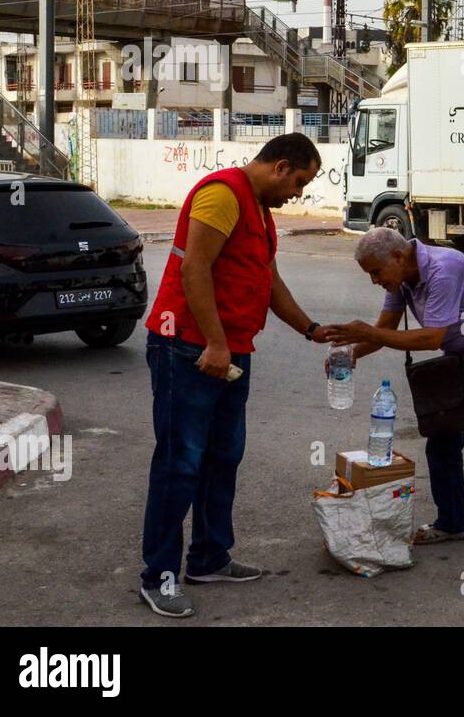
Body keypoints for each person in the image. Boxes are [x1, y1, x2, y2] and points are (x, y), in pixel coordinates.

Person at [140, 133, 330, 618]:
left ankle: (208, 558)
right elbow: (194, 270)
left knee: (222, 458)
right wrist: (215, 343)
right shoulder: (223, 194)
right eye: (301, 182)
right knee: (179, 465)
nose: (299, 194)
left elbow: (267, 282)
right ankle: (158, 576)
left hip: (230, 355)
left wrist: (310, 329)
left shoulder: (260, 212)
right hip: (189, 348)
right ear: (281, 167)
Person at [325, 227, 464, 569]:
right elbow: (384, 328)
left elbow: (431, 338)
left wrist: (367, 332)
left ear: (399, 257)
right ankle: (452, 523)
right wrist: (353, 353)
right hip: (455, 362)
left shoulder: (445, 269)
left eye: (375, 271)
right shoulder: (401, 278)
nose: (374, 280)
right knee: (442, 443)